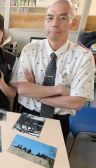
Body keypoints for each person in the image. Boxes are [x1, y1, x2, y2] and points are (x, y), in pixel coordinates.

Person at [16, 0, 95, 142]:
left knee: (47, 162)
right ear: (44, 22)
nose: (55, 23)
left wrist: (37, 93)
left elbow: (76, 102)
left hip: (59, 121)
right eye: (50, 17)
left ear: (73, 22)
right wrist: (59, 90)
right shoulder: (30, 49)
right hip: (28, 115)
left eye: (63, 18)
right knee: (19, 158)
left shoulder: (84, 56)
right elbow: (22, 89)